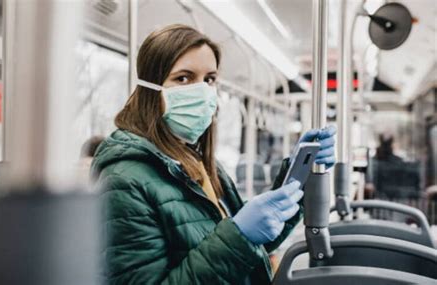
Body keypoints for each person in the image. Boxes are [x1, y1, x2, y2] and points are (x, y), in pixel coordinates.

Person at [91, 24, 336, 285]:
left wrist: (296, 181)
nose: (202, 91)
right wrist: (239, 235)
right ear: (149, 87)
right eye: (183, 78)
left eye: (209, 79)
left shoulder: (198, 163)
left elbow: (250, 249)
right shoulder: (123, 181)